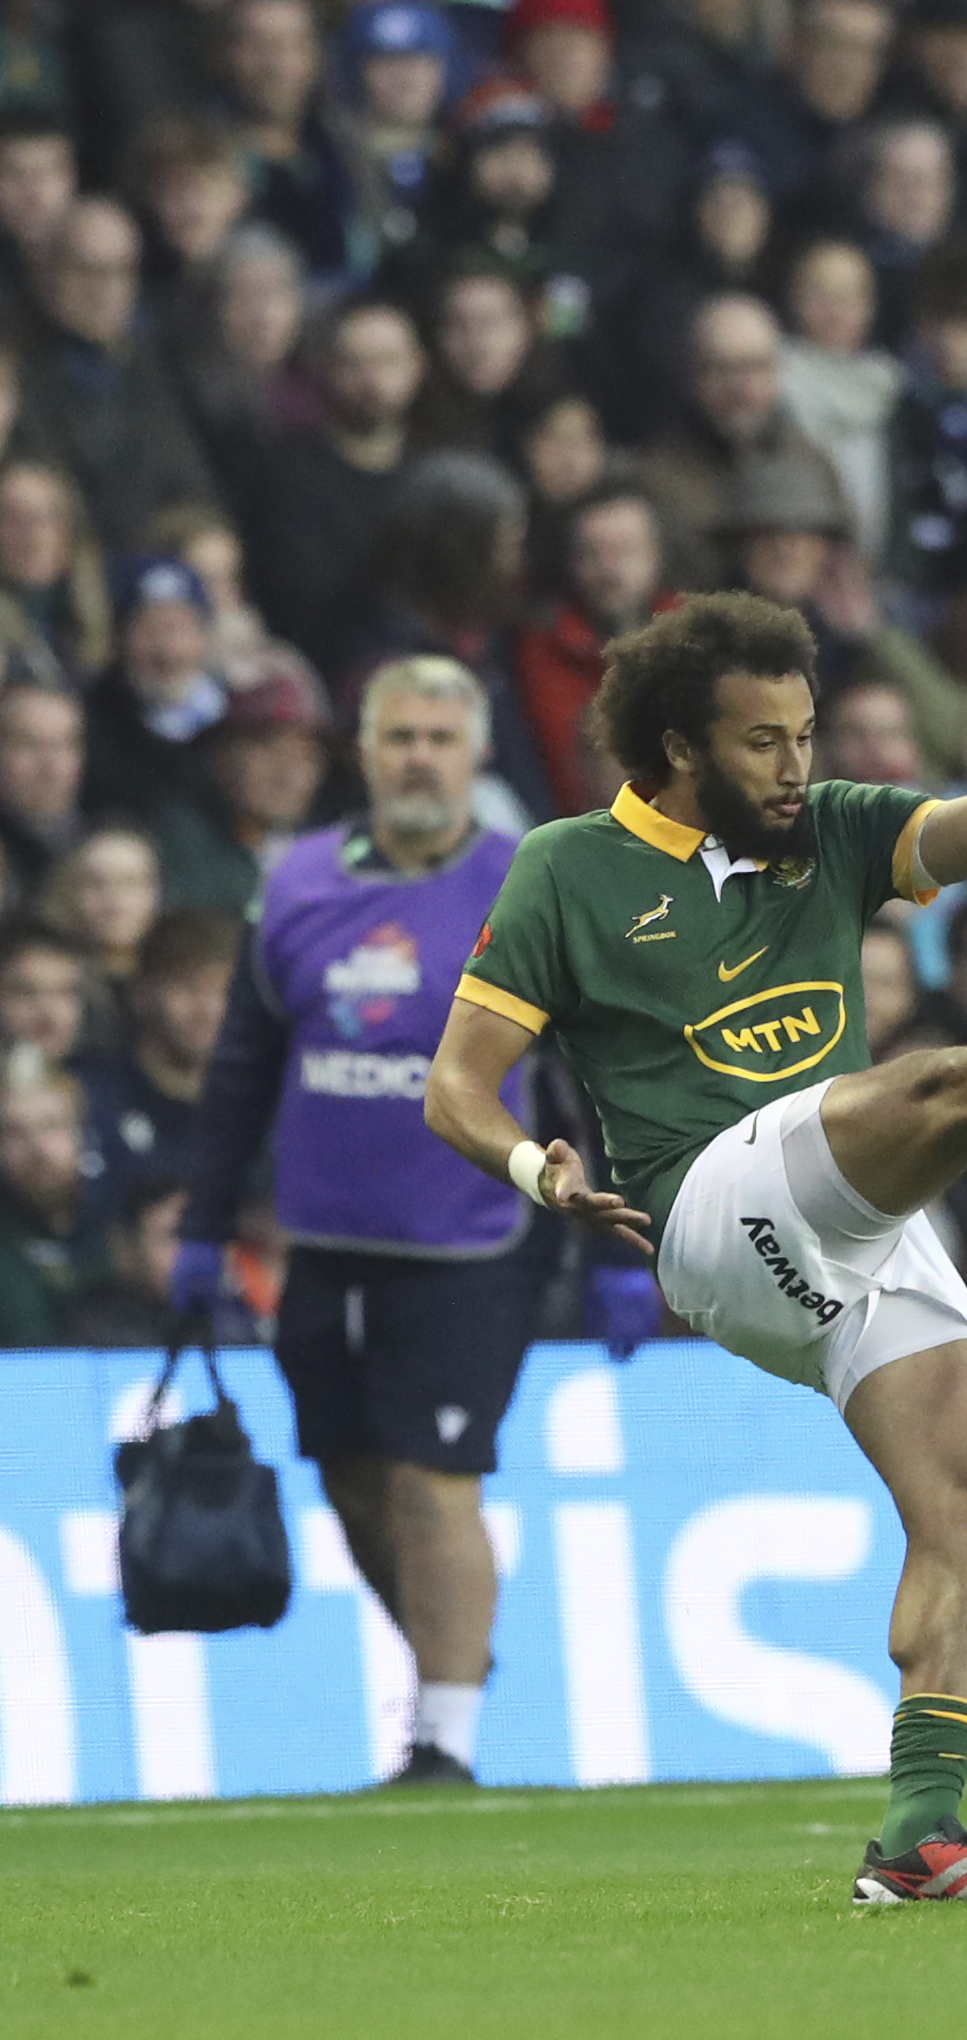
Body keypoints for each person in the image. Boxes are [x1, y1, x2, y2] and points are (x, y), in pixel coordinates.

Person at [422, 593, 967, 1901]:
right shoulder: (566, 866)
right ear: (676, 748)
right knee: (941, 1088)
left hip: (851, 1212)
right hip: (711, 1209)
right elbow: (455, 1083)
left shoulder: (830, 827)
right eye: (764, 742)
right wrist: (528, 1163)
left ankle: (917, 1837)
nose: (797, 765)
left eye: (804, 732)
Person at [166, 660, 530, 1785]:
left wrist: (623, 1234)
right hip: (320, 1239)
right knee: (351, 1479)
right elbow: (242, 1065)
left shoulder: (522, 882)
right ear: (363, 753)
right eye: (399, 736)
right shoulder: (299, 881)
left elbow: (589, 1066)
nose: (418, 755)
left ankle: (445, 1742)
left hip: (470, 1234)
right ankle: (450, 1660)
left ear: (473, 755)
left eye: (439, 736)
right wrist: (204, 1221)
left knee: (432, 1479)